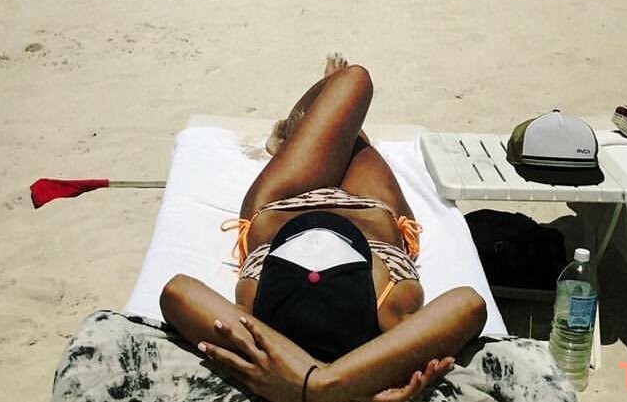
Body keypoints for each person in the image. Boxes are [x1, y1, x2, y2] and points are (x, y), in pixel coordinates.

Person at [159, 56, 486, 402]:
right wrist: (326, 385)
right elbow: (469, 304)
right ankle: (300, 133)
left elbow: (177, 291)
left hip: (283, 203)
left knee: (341, 96)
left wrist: (306, 384)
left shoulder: (257, 335)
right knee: (352, 106)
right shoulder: (390, 312)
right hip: (366, 208)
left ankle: (290, 137)